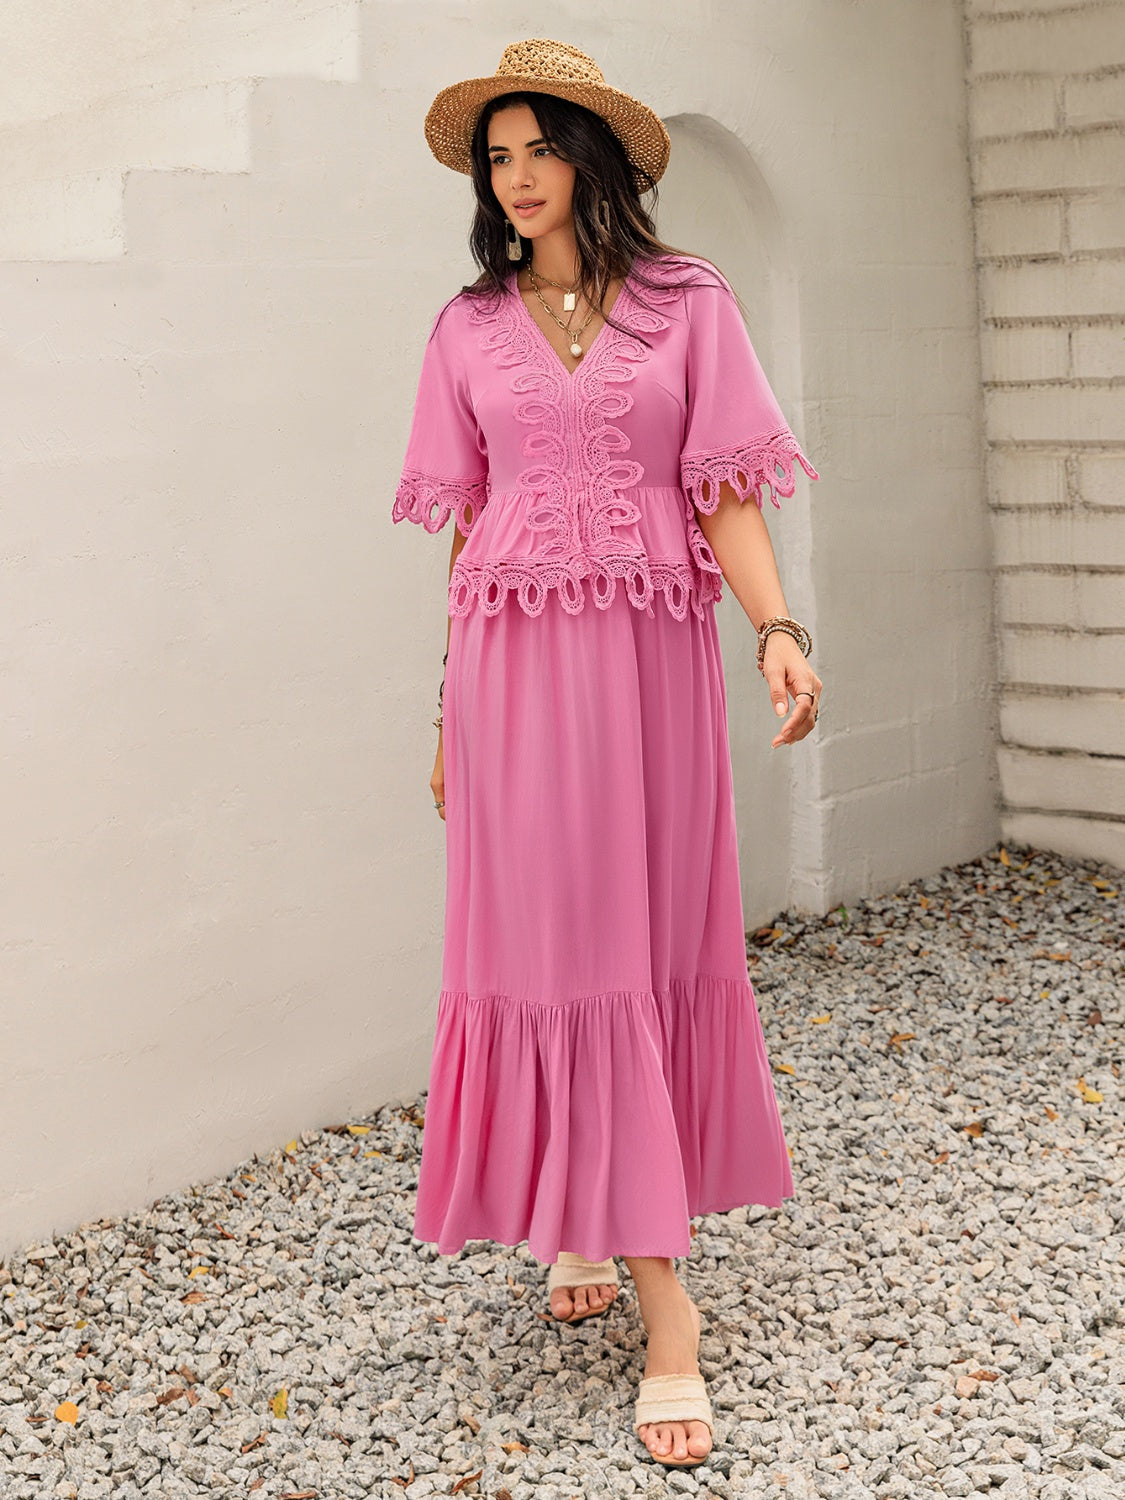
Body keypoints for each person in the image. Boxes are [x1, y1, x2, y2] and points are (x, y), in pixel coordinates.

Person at [391, 37, 823, 1471]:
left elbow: (725, 493)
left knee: (643, 944)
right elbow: (470, 531)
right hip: (514, 679)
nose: (515, 178)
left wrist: (776, 629)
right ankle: (666, 1313)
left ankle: (592, 1207)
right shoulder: (466, 329)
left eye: (537, 149)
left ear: (592, 158)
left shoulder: (690, 304)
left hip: (651, 672)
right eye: (495, 157)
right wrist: (446, 708)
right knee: (560, 949)